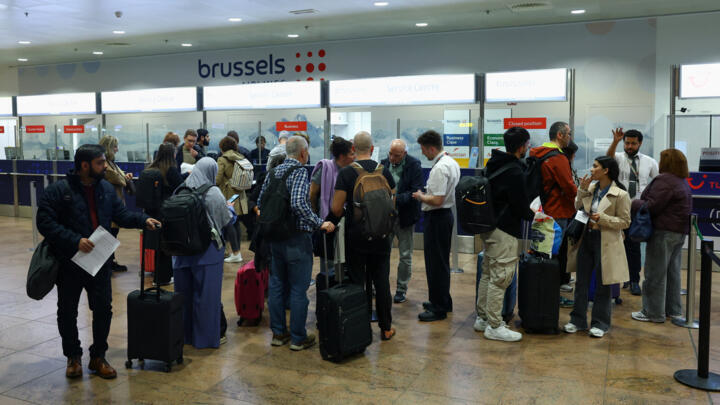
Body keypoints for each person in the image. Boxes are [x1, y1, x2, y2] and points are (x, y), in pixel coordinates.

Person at [37, 144, 160, 380]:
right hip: (70, 262)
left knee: (103, 309)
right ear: (85, 166)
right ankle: (73, 357)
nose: (105, 167)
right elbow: (45, 222)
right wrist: (75, 241)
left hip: (99, 261)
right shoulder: (58, 191)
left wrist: (143, 220)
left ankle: (98, 357)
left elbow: (121, 215)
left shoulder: (105, 188)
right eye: (100, 163)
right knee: (67, 311)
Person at [258, 136, 335, 350]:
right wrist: (319, 223)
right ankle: (298, 338)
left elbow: (260, 202)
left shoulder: (273, 172)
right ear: (303, 153)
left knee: (276, 287)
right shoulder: (300, 171)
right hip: (296, 239)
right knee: (298, 290)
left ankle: (278, 334)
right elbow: (298, 203)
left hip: (274, 239)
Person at [331, 131, 397, 341]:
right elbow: (392, 203)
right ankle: (386, 328)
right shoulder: (384, 171)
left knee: (358, 282)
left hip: (357, 238)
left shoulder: (347, 174)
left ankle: (361, 328)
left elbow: (336, 208)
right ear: (372, 148)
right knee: (382, 282)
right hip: (382, 237)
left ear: (353, 148)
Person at [474, 127, 536, 341]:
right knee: (500, 278)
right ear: (522, 146)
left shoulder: (493, 163)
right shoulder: (515, 171)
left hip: (489, 226)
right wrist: (534, 215)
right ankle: (494, 325)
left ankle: (482, 318)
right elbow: (520, 206)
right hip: (505, 230)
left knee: (489, 274)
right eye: (527, 145)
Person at [564, 156, 631, 338]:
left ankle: (600, 323)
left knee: (603, 283)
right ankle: (577, 320)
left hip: (606, 240)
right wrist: (582, 190)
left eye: (595, 166)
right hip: (586, 238)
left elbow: (625, 222)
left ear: (606, 170)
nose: (592, 169)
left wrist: (603, 219)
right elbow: (578, 207)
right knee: (581, 281)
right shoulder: (592, 189)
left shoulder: (621, 194)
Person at [172, 157, 235, 349]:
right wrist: (231, 210)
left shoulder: (180, 189)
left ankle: (185, 337)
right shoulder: (213, 192)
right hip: (207, 254)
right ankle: (205, 339)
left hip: (181, 252)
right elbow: (225, 221)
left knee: (184, 297)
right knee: (207, 299)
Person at [630, 149, 691, 323]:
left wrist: (634, 203)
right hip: (679, 232)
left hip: (663, 231)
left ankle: (653, 312)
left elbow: (652, 205)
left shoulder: (664, 180)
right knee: (672, 273)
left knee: (654, 273)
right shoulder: (681, 181)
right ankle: (673, 309)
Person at [412, 130, 460, 322]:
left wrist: (420, 196)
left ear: (432, 148)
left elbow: (437, 199)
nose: (424, 154)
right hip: (445, 217)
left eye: (424, 150)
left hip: (437, 217)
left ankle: (438, 308)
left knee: (435, 264)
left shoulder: (440, 168)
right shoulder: (452, 162)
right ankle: (442, 300)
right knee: (441, 262)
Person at [529, 122, 577, 309]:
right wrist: (582, 196)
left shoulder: (538, 153)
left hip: (544, 210)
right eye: (568, 134)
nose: (570, 137)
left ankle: (542, 293)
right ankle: (551, 296)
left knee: (544, 253)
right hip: (558, 212)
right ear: (560, 135)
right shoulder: (558, 158)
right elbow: (568, 187)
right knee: (553, 256)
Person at [607, 128, 659, 296]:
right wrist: (615, 142)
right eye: (627, 143)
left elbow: (658, 183)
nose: (629, 146)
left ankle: (634, 280)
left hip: (636, 209)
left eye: (633, 143)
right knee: (615, 245)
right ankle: (620, 278)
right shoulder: (617, 157)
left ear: (640, 143)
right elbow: (607, 160)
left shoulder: (649, 162)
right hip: (616, 207)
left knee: (633, 246)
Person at [380, 139, 423, 304]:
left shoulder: (414, 165)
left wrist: (395, 200)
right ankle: (381, 286)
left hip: (405, 216)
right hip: (385, 217)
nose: (392, 158)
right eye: (390, 154)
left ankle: (401, 289)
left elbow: (416, 191)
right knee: (383, 253)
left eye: (396, 155)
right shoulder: (383, 165)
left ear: (404, 154)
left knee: (405, 255)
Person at [310, 137, 354, 271]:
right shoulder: (325, 168)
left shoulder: (351, 171)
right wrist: (316, 214)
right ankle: (328, 285)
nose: (354, 156)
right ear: (342, 156)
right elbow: (312, 193)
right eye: (351, 154)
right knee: (328, 256)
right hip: (327, 219)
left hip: (346, 220)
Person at [145, 142, 184, 285]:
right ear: (171, 154)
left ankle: (158, 277)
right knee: (166, 246)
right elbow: (180, 185)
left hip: (152, 212)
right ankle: (163, 278)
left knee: (158, 247)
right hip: (167, 211)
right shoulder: (171, 170)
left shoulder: (151, 168)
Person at [98, 135, 133, 273]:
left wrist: (124, 176)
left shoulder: (111, 162)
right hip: (108, 206)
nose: (117, 149)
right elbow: (119, 179)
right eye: (115, 147)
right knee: (108, 234)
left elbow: (120, 175)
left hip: (115, 205)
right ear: (108, 148)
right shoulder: (104, 164)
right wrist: (124, 178)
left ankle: (110, 261)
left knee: (112, 234)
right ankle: (105, 264)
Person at [216, 136, 249, 263]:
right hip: (240, 194)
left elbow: (217, 179)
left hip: (229, 194)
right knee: (236, 223)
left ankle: (235, 253)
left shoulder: (222, 159)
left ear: (222, 147)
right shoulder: (241, 157)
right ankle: (237, 251)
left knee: (230, 223)